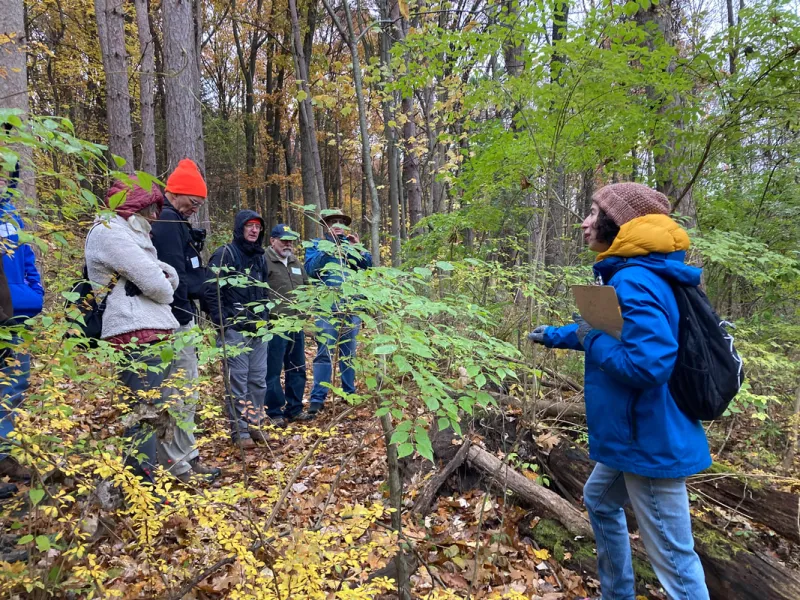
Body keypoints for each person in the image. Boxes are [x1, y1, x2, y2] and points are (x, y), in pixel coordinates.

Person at [528, 182, 710, 600]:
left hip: (647, 441)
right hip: (638, 433)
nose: (584, 221)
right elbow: (614, 332)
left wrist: (590, 338)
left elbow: (648, 364)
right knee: (599, 499)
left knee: (676, 564)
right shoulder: (642, 272)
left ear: (620, 223)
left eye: (594, 212)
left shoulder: (635, 280)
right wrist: (558, 335)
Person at [85, 179, 180, 484]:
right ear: (135, 205)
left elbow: (166, 276)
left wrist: (165, 281)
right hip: (135, 334)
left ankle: (147, 480)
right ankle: (140, 488)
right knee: (142, 413)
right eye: (151, 208)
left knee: (152, 411)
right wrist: (164, 285)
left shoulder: (130, 233)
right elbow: (156, 283)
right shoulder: (109, 232)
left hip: (154, 332)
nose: (154, 216)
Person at [151, 159, 220, 482]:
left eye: (199, 204)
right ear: (174, 194)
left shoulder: (176, 222)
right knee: (177, 394)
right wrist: (182, 318)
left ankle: (188, 455)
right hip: (173, 323)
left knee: (187, 393)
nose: (195, 209)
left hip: (182, 320)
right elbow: (173, 280)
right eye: (193, 202)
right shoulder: (166, 223)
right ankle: (176, 464)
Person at [204, 210, 271, 449]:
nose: (254, 230)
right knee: (238, 382)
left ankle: (255, 424)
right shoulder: (225, 254)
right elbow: (211, 291)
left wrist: (266, 319)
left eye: (258, 227)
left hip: (259, 330)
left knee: (258, 381)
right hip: (235, 330)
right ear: (240, 227)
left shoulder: (260, 257)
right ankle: (239, 430)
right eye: (249, 226)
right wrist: (223, 321)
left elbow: (264, 290)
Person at [0, 162, 44, 482]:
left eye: (5, 175)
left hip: (18, 317)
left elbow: (27, 258)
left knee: (14, 384)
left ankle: (3, 455)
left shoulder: (12, 215)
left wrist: (34, 291)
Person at [304, 210, 372, 416]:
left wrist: (357, 249)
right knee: (324, 354)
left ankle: (349, 394)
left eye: (341, 222)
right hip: (326, 310)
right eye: (333, 222)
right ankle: (318, 399)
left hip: (351, 309)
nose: (338, 225)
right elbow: (310, 269)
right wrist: (330, 249)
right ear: (326, 226)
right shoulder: (316, 245)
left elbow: (367, 268)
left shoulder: (352, 247)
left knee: (348, 354)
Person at [264, 224, 314, 425]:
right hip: (275, 326)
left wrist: (306, 312)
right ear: (272, 240)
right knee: (273, 370)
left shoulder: (295, 262)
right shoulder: (264, 261)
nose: (287, 244)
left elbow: (307, 288)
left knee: (297, 367)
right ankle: (274, 412)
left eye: (290, 240)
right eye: (283, 240)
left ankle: (294, 408)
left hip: (296, 325)